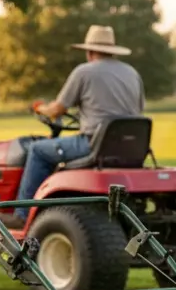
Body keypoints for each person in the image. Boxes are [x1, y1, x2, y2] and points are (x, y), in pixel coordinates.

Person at [11, 25, 146, 224]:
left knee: (38, 150)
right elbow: (138, 110)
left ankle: (22, 216)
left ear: (90, 51)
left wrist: (40, 108)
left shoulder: (84, 72)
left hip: (92, 143)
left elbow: (57, 110)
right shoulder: (132, 73)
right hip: (129, 147)